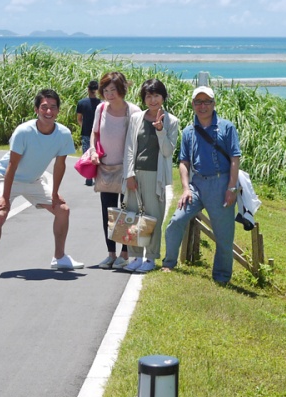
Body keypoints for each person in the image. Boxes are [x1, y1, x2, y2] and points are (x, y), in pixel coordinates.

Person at [0, 88, 84, 280]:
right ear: (36, 110)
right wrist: (5, 197)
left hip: (35, 179)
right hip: (6, 177)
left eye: (53, 107)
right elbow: (12, 165)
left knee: (63, 210)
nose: (49, 112)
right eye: (44, 107)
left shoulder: (63, 134)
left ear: (59, 111)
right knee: (0, 214)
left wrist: (54, 193)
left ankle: (59, 257)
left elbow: (60, 166)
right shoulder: (24, 131)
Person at [161, 86, 242, 285]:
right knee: (175, 222)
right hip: (196, 185)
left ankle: (221, 277)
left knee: (224, 235)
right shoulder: (189, 131)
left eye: (207, 101)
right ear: (193, 105)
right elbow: (183, 162)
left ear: (214, 104)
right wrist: (186, 188)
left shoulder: (226, 127)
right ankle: (168, 263)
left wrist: (231, 188)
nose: (202, 106)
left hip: (221, 184)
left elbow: (235, 158)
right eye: (198, 102)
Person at [122, 78, 179, 273]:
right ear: (144, 98)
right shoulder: (137, 118)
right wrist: (128, 174)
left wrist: (161, 130)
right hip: (135, 173)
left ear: (163, 97)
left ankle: (151, 257)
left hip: (156, 175)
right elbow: (129, 148)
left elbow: (167, 151)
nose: (153, 100)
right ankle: (136, 256)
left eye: (156, 95)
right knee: (133, 215)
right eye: (148, 96)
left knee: (153, 217)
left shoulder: (171, 121)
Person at [88, 71, 141, 269]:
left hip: (127, 169)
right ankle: (111, 254)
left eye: (114, 90)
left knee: (127, 212)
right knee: (108, 212)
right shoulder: (101, 109)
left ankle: (125, 253)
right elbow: (95, 133)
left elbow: (138, 141)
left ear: (122, 90)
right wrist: (93, 150)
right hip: (105, 168)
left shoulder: (133, 111)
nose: (109, 94)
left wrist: (133, 170)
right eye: (106, 90)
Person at [75, 80, 101, 185]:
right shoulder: (101, 104)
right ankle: (97, 177)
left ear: (88, 89)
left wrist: (84, 126)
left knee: (87, 155)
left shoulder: (81, 103)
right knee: (98, 154)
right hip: (99, 134)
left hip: (86, 132)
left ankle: (88, 177)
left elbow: (79, 118)